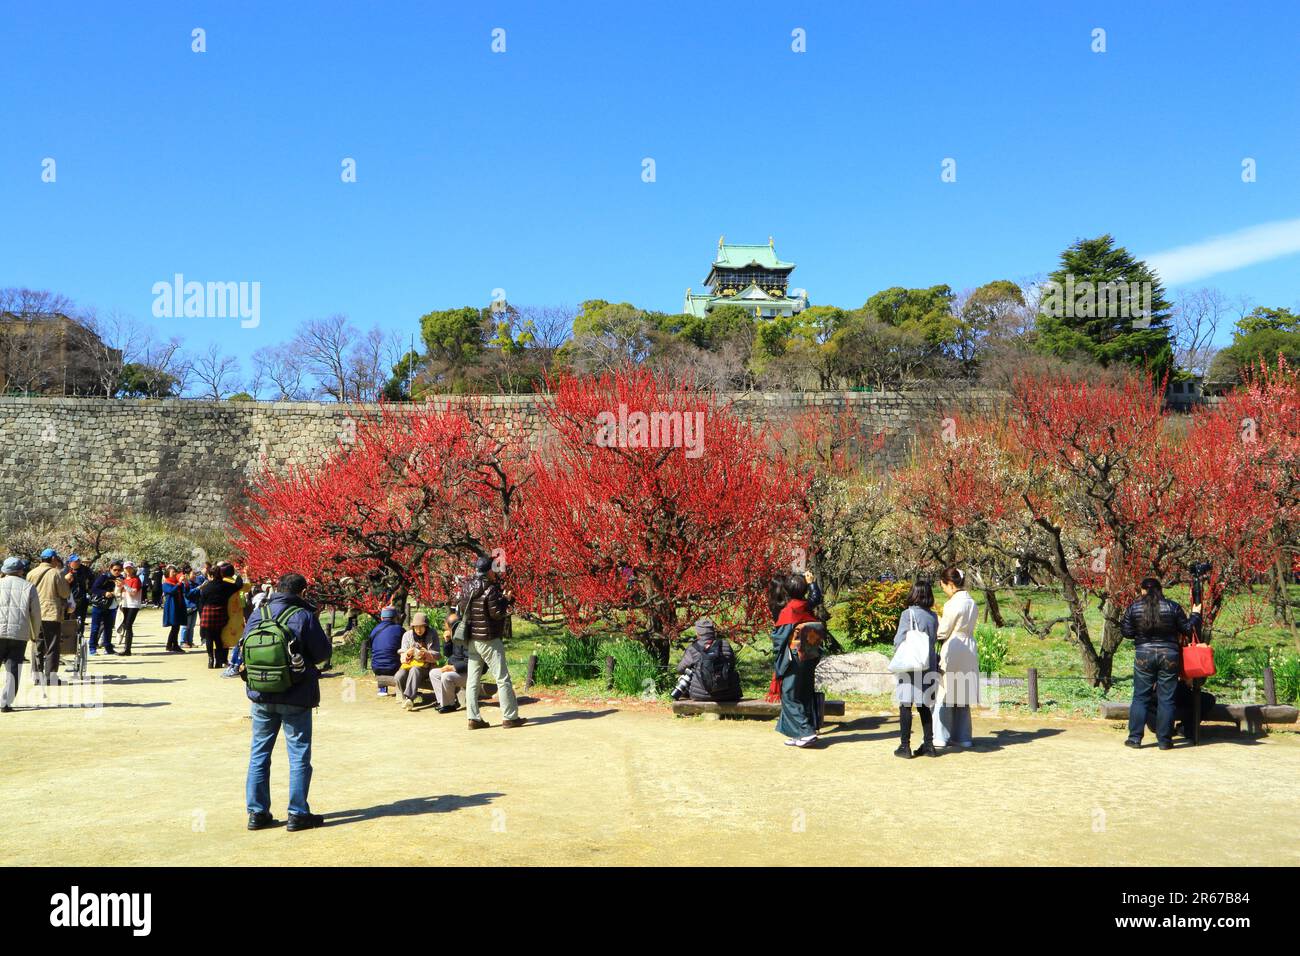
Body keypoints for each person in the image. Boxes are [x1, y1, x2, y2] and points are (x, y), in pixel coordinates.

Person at [242, 572, 332, 832]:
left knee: (259, 754)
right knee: (299, 755)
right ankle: (297, 813)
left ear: (278, 588)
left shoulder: (259, 613)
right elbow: (322, 653)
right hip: (296, 695)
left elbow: (243, 649)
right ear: (302, 592)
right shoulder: (303, 616)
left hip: (261, 694)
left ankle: (257, 813)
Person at [1120, 577, 1199, 750]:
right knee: (1167, 699)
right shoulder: (1172, 606)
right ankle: (1164, 740)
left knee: (1140, 697)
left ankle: (1134, 738)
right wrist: (1195, 615)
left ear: (1142, 590)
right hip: (1169, 655)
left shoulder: (1134, 607)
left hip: (1143, 654)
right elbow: (1186, 628)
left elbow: (1125, 631)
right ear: (1160, 590)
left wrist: (1140, 636)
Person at [458, 555, 525, 729]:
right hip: (489, 639)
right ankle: (510, 716)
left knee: (472, 680)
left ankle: (473, 718)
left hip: (472, 639)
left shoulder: (466, 587)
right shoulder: (491, 589)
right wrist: (506, 600)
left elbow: (461, 608)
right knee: (502, 678)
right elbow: (496, 613)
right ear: (488, 571)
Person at [770, 573, 824, 748]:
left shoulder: (789, 611)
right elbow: (816, 597)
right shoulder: (807, 606)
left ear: (787, 591)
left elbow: (779, 639)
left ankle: (806, 732)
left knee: (789, 694)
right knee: (803, 693)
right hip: (811, 655)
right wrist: (812, 583)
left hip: (794, 658)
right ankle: (796, 733)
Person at [893, 579, 940, 758]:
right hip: (928, 665)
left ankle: (904, 746)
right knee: (923, 705)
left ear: (914, 593)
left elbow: (899, 640)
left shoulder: (908, 614)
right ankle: (929, 745)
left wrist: (898, 655)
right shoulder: (933, 616)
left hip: (910, 665)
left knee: (905, 704)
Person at [934, 567, 979, 749]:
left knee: (944, 692)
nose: (943, 589)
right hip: (969, 646)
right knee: (963, 692)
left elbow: (943, 630)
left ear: (951, 584)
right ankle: (963, 737)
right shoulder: (972, 602)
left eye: (944, 585)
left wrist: (935, 621)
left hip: (953, 646)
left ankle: (940, 736)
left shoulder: (952, 604)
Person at [1, 556, 42, 712]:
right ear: (20, 571)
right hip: (18, 634)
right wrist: (34, 633)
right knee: (13, 669)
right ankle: (5, 703)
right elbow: (36, 614)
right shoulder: (28, 587)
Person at [26, 548, 71, 686]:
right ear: (53, 559)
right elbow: (64, 593)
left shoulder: (31, 573)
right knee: (52, 646)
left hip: (34, 614)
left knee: (37, 645)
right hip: (51, 614)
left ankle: (37, 676)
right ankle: (50, 677)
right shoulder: (56, 573)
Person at [674, 617, 742, 702]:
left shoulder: (693, 648)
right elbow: (732, 664)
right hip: (729, 694)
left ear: (698, 633)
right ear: (713, 632)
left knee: (686, 676)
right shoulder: (725, 644)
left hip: (701, 696)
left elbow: (680, 669)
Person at [394, 611, 442, 711]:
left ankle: (409, 698)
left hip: (425, 667)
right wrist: (408, 653)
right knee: (399, 676)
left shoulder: (432, 634)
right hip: (408, 665)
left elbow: (437, 655)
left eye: (421, 627)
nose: (418, 630)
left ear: (426, 626)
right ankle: (405, 699)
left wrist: (426, 654)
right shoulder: (407, 635)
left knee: (415, 670)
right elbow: (402, 654)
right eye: (416, 627)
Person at [199, 563, 243, 669]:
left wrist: (201, 614)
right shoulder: (225, 586)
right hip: (220, 612)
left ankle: (210, 659)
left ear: (211, 575)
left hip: (208, 612)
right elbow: (238, 585)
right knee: (218, 637)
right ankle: (219, 660)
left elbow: (201, 602)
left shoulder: (206, 587)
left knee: (209, 637)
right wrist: (239, 575)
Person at [434, 611, 468, 713]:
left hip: (467, 673)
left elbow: (469, 662)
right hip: (456, 671)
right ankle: (443, 702)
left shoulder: (464, 638)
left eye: (447, 626)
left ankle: (450, 704)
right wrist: (447, 641)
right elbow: (448, 654)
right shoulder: (455, 636)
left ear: (451, 626)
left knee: (446, 676)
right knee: (434, 673)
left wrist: (453, 668)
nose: (446, 629)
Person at [368, 606, 404, 697]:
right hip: (394, 668)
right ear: (395, 617)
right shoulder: (400, 629)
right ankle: (402, 687)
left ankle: (382, 688)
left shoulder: (375, 630)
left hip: (376, 667)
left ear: (381, 617)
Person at [87, 562, 122, 655]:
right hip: (99, 605)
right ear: (110, 569)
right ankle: (92, 647)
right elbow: (94, 588)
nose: (117, 572)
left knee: (108, 628)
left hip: (112, 606)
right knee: (95, 627)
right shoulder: (104, 577)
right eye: (115, 570)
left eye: (119, 570)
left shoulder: (121, 579)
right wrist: (104, 593)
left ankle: (108, 647)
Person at [117, 561, 144, 656]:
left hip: (133, 604)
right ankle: (126, 648)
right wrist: (119, 587)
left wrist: (124, 585)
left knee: (128, 625)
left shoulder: (136, 580)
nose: (128, 570)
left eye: (129, 568)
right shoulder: (124, 579)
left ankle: (127, 649)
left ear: (133, 569)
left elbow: (133, 593)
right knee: (125, 625)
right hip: (125, 604)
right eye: (126, 568)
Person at [65, 555, 93, 640]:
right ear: (70, 563)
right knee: (68, 618)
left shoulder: (85, 570)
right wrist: (66, 579)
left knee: (81, 618)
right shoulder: (65, 570)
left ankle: (80, 636)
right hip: (69, 598)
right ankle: (68, 636)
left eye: (78, 561)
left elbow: (92, 581)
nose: (77, 563)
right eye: (75, 561)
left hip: (82, 597)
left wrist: (89, 591)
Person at [161, 566, 187, 652]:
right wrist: (178, 583)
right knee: (175, 626)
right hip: (172, 607)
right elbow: (171, 591)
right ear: (168, 574)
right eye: (173, 572)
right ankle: (171, 645)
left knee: (177, 626)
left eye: (175, 572)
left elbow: (185, 590)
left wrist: (185, 582)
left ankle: (172, 645)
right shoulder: (166, 583)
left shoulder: (177, 583)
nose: (175, 573)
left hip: (179, 606)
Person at [181, 565, 202, 648]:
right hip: (187, 607)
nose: (194, 576)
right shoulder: (186, 584)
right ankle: (183, 641)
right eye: (193, 574)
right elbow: (188, 594)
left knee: (192, 626)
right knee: (185, 626)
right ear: (188, 575)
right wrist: (198, 588)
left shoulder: (195, 584)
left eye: (195, 574)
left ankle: (190, 641)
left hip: (194, 607)